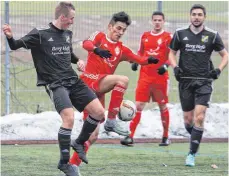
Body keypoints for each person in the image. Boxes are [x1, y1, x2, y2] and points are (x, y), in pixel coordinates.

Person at [3, 2, 106, 176]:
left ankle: (79, 143)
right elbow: (15, 46)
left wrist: (78, 61)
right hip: (55, 84)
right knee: (69, 118)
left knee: (99, 112)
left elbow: (68, 53)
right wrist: (10, 37)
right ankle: (64, 163)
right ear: (62, 17)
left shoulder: (67, 33)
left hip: (73, 80)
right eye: (71, 18)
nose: (72, 22)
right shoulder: (40, 34)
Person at [69, 11, 159, 166]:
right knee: (122, 80)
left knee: (92, 136)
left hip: (98, 93)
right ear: (110, 26)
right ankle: (111, 120)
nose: (120, 32)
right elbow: (86, 44)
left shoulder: (122, 49)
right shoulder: (99, 37)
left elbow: (138, 59)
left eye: (123, 30)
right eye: (118, 28)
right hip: (88, 84)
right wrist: (97, 50)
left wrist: (149, 60)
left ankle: (72, 166)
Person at [169, 4, 228, 167]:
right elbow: (171, 53)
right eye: (194, 14)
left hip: (204, 81)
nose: (196, 17)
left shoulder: (212, 35)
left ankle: (191, 154)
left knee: (199, 117)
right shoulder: (180, 34)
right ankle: (196, 135)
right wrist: (175, 67)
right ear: (190, 16)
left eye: (200, 14)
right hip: (185, 81)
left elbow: (225, 55)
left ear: (204, 17)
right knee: (188, 121)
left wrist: (218, 70)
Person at [120, 11, 172, 147]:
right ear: (151, 21)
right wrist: (136, 62)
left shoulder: (168, 37)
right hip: (145, 77)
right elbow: (140, 53)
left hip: (160, 78)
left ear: (163, 21)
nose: (157, 22)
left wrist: (166, 66)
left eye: (160, 20)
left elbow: (172, 55)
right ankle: (130, 136)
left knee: (162, 105)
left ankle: (166, 136)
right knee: (138, 105)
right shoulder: (145, 36)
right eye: (155, 20)